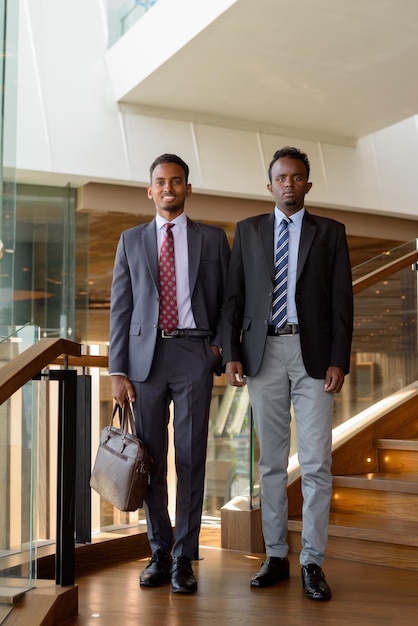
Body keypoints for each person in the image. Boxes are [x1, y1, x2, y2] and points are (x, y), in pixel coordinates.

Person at [222, 146, 353, 601]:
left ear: (307, 185)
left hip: (314, 356)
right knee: (271, 463)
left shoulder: (331, 232)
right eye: (281, 177)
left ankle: (312, 562)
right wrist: (232, 354)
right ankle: (275, 555)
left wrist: (340, 358)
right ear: (270, 185)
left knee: (317, 463)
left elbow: (342, 302)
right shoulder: (249, 231)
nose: (289, 184)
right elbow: (233, 300)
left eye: (297, 178)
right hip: (263, 354)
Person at [109, 153, 230, 594]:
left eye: (176, 181)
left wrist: (216, 349)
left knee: (192, 457)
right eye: (160, 182)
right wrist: (117, 370)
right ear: (150, 189)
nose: (168, 189)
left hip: (194, 353)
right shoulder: (130, 240)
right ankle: (159, 549)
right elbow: (120, 309)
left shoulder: (213, 239)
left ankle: (184, 556)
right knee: (150, 459)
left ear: (187, 189)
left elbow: (227, 302)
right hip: (145, 362)